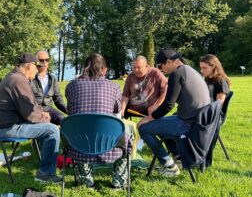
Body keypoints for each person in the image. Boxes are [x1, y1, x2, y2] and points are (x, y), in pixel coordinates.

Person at [137, 48, 210, 176]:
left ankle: (169, 166)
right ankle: (179, 157)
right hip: (199, 122)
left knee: (144, 128)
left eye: (160, 65)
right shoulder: (189, 70)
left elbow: (168, 105)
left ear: (170, 62)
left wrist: (148, 118)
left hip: (188, 124)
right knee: (161, 123)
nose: (160, 69)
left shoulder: (176, 74)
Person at [0, 53, 61, 183]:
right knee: (52, 130)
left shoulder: (16, 77)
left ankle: (45, 169)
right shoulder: (18, 80)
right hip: (6, 128)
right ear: (29, 66)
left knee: (49, 128)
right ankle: (45, 174)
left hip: (8, 125)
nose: (39, 69)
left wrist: (42, 113)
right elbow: (31, 115)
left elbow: (31, 105)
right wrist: (47, 120)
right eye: (37, 66)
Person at [65, 53, 129, 189]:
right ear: (104, 70)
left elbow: (70, 111)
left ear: (85, 68)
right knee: (128, 139)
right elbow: (117, 110)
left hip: (78, 143)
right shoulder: (114, 87)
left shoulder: (71, 86)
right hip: (107, 143)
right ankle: (119, 182)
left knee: (81, 127)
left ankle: (85, 181)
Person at [31, 50, 67, 125]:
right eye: (41, 60)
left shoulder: (52, 78)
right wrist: (39, 112)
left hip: (47, 108)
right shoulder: (31, 77)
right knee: (42, 120)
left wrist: (68, 110)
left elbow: (57, 98)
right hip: (34, 109)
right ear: (36, 62)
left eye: (47, 60)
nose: (44, 62)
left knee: (62, 118)